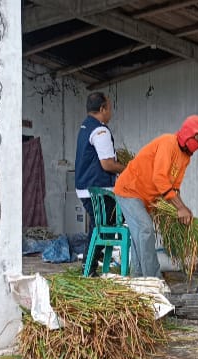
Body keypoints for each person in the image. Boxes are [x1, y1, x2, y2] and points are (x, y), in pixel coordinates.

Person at [114, 115, 198, 278]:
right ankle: (154, 279)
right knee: (145, 229)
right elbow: (159, 178)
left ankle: (138, 279)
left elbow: (174, 187)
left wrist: (183, 208)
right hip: (129, 189)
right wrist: (180, 207)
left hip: (145, 198)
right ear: (188, 133)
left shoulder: (185, 158)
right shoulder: (168, 143)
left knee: (139, 233)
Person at [74, 92, 126, 273]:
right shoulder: (100, 130)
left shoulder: (85, 126)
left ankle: (89, 267)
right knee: (108, 224)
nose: (110, 112)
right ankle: (89, 267)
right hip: (98, 190)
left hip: (86, 188)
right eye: (109, 108)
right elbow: (107, 164)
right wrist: (127, 170)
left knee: (97, 225)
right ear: (102, 108)